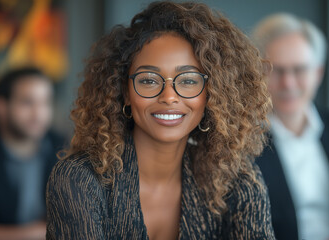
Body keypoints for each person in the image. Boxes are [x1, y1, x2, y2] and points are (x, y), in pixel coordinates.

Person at [46, 2, 275, 239]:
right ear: (125, 91)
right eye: (148, 80)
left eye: (187, 80)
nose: (168, 97)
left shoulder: (236, 181)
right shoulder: (80, 179)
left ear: (212, 93)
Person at [252, 13, 329, 240]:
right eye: (277, 70)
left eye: (299, 69)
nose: (288, 83)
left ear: (318, 73)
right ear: (259, 73)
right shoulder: (244, 141)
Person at [0, 67, 64, 240]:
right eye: (27, 102)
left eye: (45, 103)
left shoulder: (63, 149)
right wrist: (39, 233)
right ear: (2, 106)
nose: (39, 114)